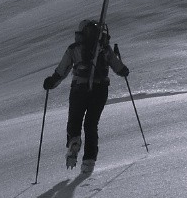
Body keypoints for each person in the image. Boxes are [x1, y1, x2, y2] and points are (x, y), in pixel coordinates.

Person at [42, 19, 129, 172]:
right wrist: (124, 70)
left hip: (79, 88)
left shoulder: (74, 48)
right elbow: (119, 68)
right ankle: (89, 162)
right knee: (91, 124)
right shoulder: (104, 48)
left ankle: (74, 142)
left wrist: (51, 83)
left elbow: (62, 71)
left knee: (74, 120)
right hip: (100, 89)